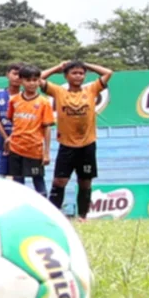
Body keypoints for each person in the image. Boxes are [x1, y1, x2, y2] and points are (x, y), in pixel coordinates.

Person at [41, 60, 114, 221]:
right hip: (66, 145)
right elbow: (38, 78)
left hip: (87, 145)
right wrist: (57, 67)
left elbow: (108, 72)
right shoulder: (59, 91)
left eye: (81, 73)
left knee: (85, 182)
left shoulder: (91, 89)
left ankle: (82, 216)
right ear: (66, 76)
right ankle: (54, 216)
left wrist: (86, 64)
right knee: (59, 181)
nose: (78, 76)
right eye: (74, 73)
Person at [4, 65, 54, 196]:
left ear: (39, 81)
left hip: (34, 149)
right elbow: (13, 120)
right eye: (28, 80)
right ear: (21, 81)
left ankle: (43, 207)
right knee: (18, 184)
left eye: (35, 80)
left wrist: (46, 153)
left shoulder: (44, 102)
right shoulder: (14, 100)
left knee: (39, 183)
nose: (32, 83)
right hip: (16, 148)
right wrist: (11, 137)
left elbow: (47, 127)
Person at [0, 63, 22, 177]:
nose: (17, 77)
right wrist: (6, 138)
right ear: (7, 75)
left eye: (20, 75)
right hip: (2, 146)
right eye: (15, 74)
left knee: (18, 180)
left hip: (20, 147)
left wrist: (13, 138)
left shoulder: (25, 97)